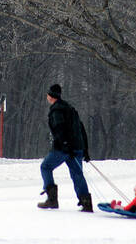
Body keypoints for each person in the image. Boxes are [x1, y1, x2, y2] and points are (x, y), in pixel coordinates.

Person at [37, 84, 93, 212]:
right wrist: (85, 149)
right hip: (77, 147)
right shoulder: (70, 108)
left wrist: (67, 147)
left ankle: (52, 200)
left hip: (65, 148)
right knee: (77, 174)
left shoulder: (56, 110)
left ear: (51, 96)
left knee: (45, 166)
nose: (47, 96)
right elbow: (81, 128)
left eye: (48, 94)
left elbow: (60, 130)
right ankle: (86, 203)